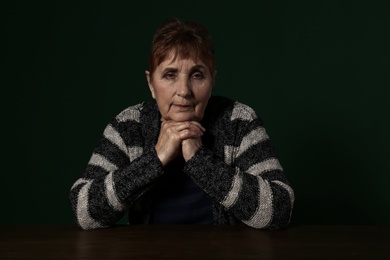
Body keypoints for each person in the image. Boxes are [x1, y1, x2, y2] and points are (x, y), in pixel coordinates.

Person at [69, 17, 294, 230]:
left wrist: (200, 160)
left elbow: (280, 208)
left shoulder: (238, 121)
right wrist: (155, 158)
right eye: (170, 75)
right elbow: (84, 212)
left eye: (197, 75)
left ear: (212, 80)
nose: (184, 91)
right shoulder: (129, 126)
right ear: (151, 83)